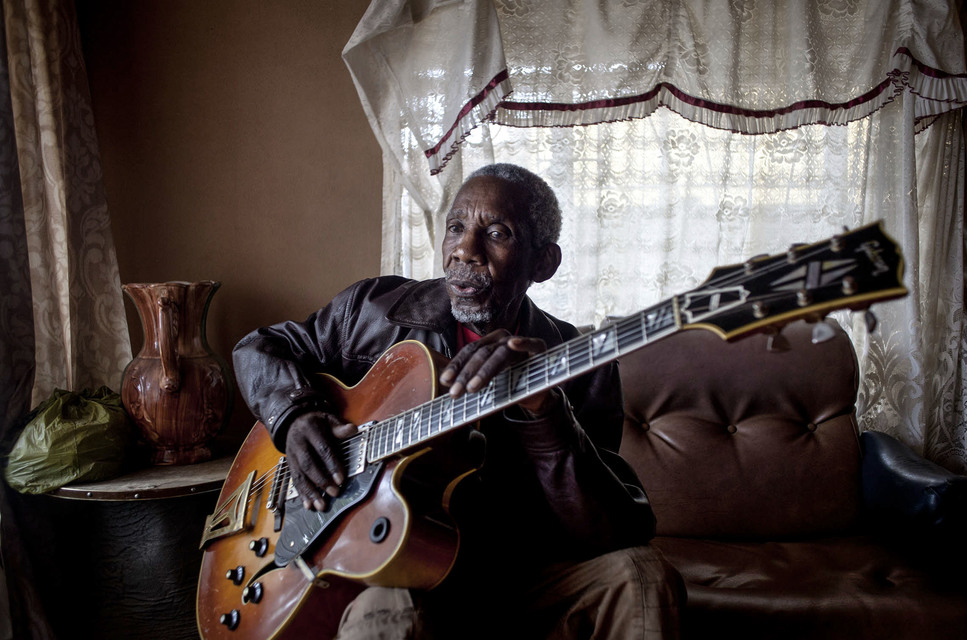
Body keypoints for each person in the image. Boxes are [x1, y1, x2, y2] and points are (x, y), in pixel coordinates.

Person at [232, 163, 684, 639]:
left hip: (517, 576)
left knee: (641, 577)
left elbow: (610, 531)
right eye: (456, 227)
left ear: (543, 263)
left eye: (497, 233)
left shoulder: (580, 364)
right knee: (386, 610)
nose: (465, 250)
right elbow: (260, 348)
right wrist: (295, 415)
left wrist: (545, 410)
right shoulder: (371, 311)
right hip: (405, 570)